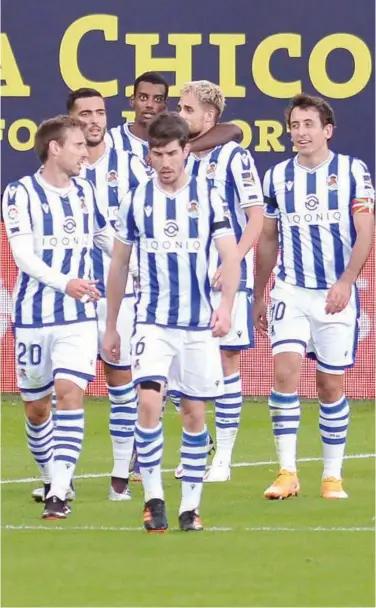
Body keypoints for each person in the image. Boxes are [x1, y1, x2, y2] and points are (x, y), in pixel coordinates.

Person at [102, 112, 240, 532]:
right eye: (157, 153)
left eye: (171, 153)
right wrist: (112, 325)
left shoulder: (208, 195)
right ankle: (154, 499)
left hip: (198, 324)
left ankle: (190, 507)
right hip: (153, 322)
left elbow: (229, 254)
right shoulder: (136, 199)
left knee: (194, 414)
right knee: (147, 401)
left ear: (185, 152)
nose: (164, 162)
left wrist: (227, 306)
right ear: (149, 155)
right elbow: (120, 264)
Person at [31, 88, 153, 503]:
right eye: (84, 115)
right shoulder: (65, 171)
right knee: (56, 391)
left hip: (120, 292)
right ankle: (57, 476)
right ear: (69, 122)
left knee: (120, 381)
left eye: (100, 112)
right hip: (72, 296)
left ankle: (120, 474)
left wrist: (141, 268)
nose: (94, 121)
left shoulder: (133, 163)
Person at [253, 93, 375, 500]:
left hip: (333, 294)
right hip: (291, 289)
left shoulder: (352, 171)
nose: (301, 132)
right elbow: (268, 239)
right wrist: (260, 294)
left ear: (327, 130)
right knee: (284, 372)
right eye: (295, 125)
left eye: (309, 125)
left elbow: (366, 231)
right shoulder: (276, 177)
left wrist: (346, 282)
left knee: (329, 385)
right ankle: (287, 471)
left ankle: (332, 475)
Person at [3, 115, 114, 519]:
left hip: (77, 317)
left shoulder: (86, 192)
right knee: (36, 409)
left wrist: (138, 265)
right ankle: (51, 476)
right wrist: (65, 281)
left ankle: (59, 491)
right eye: (79, 146)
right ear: (55, 148)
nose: (85, 153)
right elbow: (23, 256)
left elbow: (106, 238)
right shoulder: (20, 193)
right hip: (34, 316)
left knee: (70, 393)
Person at [173, 80, 264, 482]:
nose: (180, 114)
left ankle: (223, 458)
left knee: (227, 361)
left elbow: (256, 217)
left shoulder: (234, 157)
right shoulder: (177, 156)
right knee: (176, 367)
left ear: (210, 117)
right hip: (183, 280)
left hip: (222, 279)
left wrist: (234, 262)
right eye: (179, 107)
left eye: (187, 109)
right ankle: (199, 439)